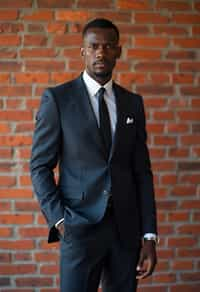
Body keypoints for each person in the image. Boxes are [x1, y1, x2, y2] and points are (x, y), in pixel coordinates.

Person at [30, 18, 158, 292]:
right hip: (79, 228)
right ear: (83, 51)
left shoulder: (132, 103)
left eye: (108, 46)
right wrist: (60, 221)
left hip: (126, 231)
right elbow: (40, 167)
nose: (101, 52)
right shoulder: (58, 100)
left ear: (118, 51)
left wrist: (149, 236)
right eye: (94, 46)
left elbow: (142, 173)